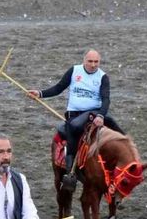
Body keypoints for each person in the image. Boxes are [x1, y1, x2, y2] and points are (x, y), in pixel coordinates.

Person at [28, 49, 124, 192]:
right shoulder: (74, 71)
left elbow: (106, 99)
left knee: (120, 134)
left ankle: (127, 164)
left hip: (95, 113)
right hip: (74, 115)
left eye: (96, 62)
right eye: (90, 61)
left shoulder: (103, 77)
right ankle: (70, 173)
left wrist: (100, 116)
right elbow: (58, 88)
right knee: (72, 127)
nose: (93, 65)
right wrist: (40, 93)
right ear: (84, 60)